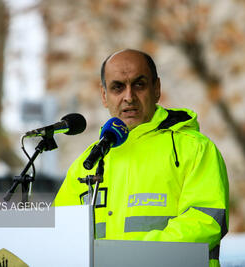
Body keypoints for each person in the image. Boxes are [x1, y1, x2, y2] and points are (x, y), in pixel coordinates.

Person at [55, 49, 229, 266]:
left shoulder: (195, 148)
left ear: (156, 89)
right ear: (104, 96)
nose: (129, 97)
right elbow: (61, 240)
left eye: (139, 84)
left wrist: (131, 256)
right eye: (117, 87)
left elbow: (206, 222)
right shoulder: (86, 164)